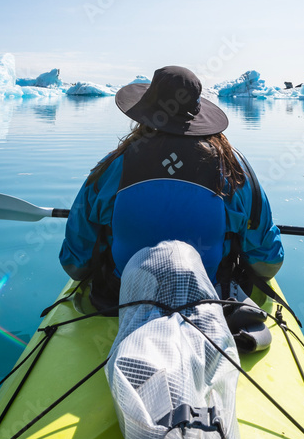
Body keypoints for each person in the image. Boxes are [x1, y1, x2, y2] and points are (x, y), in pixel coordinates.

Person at [59, 65, 284, 310]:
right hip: (210, 294)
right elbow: (266, 263)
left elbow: (76, 265)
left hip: (120, 294)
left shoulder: (110, 168)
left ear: (145, 113)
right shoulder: (234, 169)